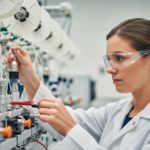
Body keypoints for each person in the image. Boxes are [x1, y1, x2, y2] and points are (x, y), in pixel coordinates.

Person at [4, 18, 150, 150]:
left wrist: (70, 129)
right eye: (109, 60)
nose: (109, 69)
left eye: (120, 58)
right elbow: (66, 119)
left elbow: (70, 125)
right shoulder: (116, 111)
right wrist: (28, 78)